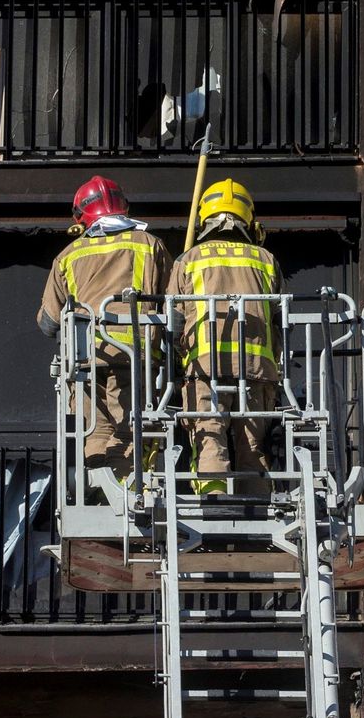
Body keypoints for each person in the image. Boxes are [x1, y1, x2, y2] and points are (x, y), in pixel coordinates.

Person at [38, 176, 172, 485]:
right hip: (134, 359)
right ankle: (123, 493)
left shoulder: (69, 255)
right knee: (128, 431)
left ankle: (99, 491)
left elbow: (48, 322)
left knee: (95, 431)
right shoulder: (150, 245)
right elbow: (173, 302)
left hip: (85, 363)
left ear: (81, 215)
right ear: (124, 208)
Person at [166, 178, 283, 496]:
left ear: (205, 217)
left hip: (206, 367)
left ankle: (214, 496)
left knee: (209, 436)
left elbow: (173, 323)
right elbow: (278, 322)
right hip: (256, 369)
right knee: (251, 442)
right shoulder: (265, 260)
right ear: (248, 217)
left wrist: (180, 361)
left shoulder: (188, 260)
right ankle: (255, 500)